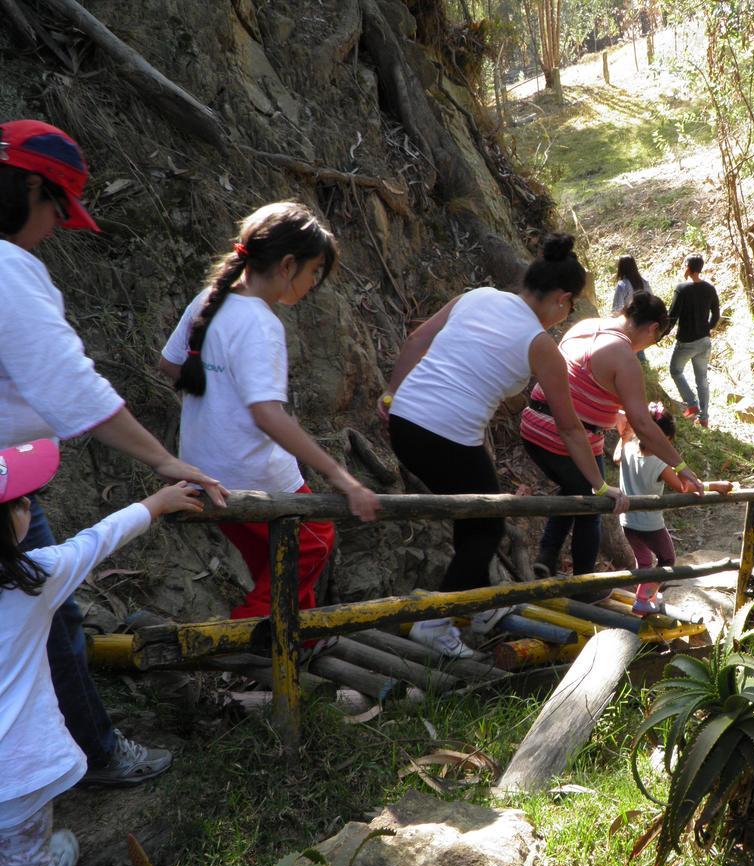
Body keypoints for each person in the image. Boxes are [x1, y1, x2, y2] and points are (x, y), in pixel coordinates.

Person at [0, 119, 228, 788]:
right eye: (56, 211)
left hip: (15, 472)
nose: (52, 229)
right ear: (32, 189)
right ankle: (85, 755)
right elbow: (74, 389)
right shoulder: (8, 271)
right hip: (5, 482)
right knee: (45, 604)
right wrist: (163, 462)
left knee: (46, 610)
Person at [380, 234, 628, 657]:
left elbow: (416, 342)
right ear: (562, 300)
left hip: (405, 422)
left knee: (473, 520)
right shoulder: (540, 344)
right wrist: (601, 488)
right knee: (488, 525)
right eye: (568, 308)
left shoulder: (475, 297)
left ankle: (477, 605)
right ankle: (435, 623)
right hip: (446, 435)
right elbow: (570, 428)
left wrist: (390, 395)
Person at [0, 439, 204, 866]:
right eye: (16, 502)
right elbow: (98, 540)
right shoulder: (36, 578)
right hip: (18, 775)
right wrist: (156, 502)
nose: (28, 501)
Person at [160, 201, 380, 626]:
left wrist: (215, 386)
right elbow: (268, 415)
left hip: (202, 469)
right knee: (314, 541)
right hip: (251, 473)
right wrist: (341, 476)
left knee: (278, 563)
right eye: (315, 271)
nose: (314, 282)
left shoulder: (211, 300)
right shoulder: (262, 325)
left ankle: (302, 645)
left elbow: (170, 364)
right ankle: (238, 638)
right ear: (287, 265)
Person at [522, 290, 705, 583]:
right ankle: (585, 583)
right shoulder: (623, 356)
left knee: (574, 489)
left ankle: (547, 556)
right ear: (653, 328)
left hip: (533, 424)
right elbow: (644, 425)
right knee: (595, 503)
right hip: (564, 438)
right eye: (654, 340)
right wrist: (682, 468)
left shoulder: (584, 326)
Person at [615, 404, 732, 615]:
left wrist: (626, 434)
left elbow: (616, 457)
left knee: (643, 561)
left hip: (627, 522)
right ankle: (643, 598)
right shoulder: (659, 463)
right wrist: (715, 485)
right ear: (665, 439)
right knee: (667, 559)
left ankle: (647, 593)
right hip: (650, 524)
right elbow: (684, 487)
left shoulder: (628, 448)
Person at [668, 253, 721, 427]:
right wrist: (707, 328)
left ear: (688, 268)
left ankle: (692, 404)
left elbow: (672, 316)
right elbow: (716, 315)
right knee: (702, 379)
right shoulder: (709, 288)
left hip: (686, 341)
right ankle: (704, 417)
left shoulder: (682, 289)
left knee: (676, 370)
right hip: (704, 341)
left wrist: (660, 334)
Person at [612, 256, 649, 363]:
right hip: (644, 319)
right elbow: (651, 298)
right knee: (639, 346)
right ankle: (644, 367)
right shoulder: (644, 282)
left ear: (621, 268)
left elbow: (616, 307)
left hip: (628, 321)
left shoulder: (622, 285)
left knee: (630, 349)